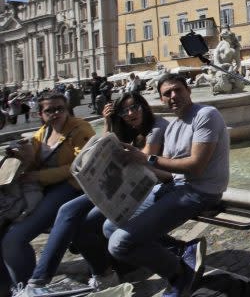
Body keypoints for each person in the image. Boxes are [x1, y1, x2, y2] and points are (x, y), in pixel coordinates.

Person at [16, 92, 172, 296]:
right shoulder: (130, 128)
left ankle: (38, 281)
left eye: (135, 107)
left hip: (146, 188)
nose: (130, 113)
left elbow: (145, 160)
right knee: (74, 218)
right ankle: (103, 274)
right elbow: (107, 144)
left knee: (70, 212)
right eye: (124, 110)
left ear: (145, 106)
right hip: (121, 187)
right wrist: (108, 122)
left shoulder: (156, 128)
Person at [104, 74, 229, 297]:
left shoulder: (205, 115)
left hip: (201, 191)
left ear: (188, 90)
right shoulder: (172, 127)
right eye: (167, 94)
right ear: (161, 99)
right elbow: (168, 172)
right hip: (176, 188)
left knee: (118, 244)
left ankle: (180, 273)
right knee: (109, 226)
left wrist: (147, 160)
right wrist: (129, 170)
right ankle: (182, 250)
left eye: (177, 90)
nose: (173, 96)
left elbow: (196, 167)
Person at [0, 93, 95, 295]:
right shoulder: (42, 133)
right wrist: (22, 155)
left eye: (60, 108)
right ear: (41, 114)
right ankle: (10, 285)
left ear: (67, 108)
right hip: (45, 188)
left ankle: (26, 287)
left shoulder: (80, 128)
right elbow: (33, 162)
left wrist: (39, 176)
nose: (55, 113)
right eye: (49, 110)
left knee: (14, 239)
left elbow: (81, 167)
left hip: (71, 188)